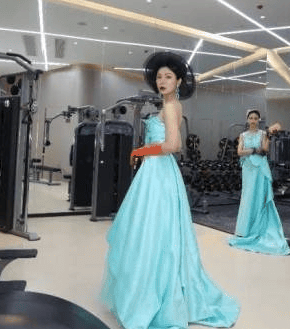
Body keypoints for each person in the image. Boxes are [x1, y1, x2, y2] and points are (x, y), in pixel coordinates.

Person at [101, 51, 240, 329]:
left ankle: (153, 294)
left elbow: (173, 146)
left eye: (168, 76)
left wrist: (141, 150)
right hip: (154, 173)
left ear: (178, 81)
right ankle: (143, 288)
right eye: (159, 77)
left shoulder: (173, 106)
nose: (162, 80)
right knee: (150, 231)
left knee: (156, 231)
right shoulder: (166, 106)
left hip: (160, 173)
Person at [227, 109, 290, 255]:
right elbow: (239, 152)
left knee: (260, 197)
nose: (253, 120)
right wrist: (253, 150)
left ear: (259, 120)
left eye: (256, 118)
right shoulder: (242, 135)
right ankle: (245, 230)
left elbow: (264, 150)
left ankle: (260, 228)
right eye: (251, 118)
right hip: (248, 169)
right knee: (247, 197)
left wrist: (265, 139)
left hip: (260, 169)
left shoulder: (263, 134)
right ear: (247, 119)